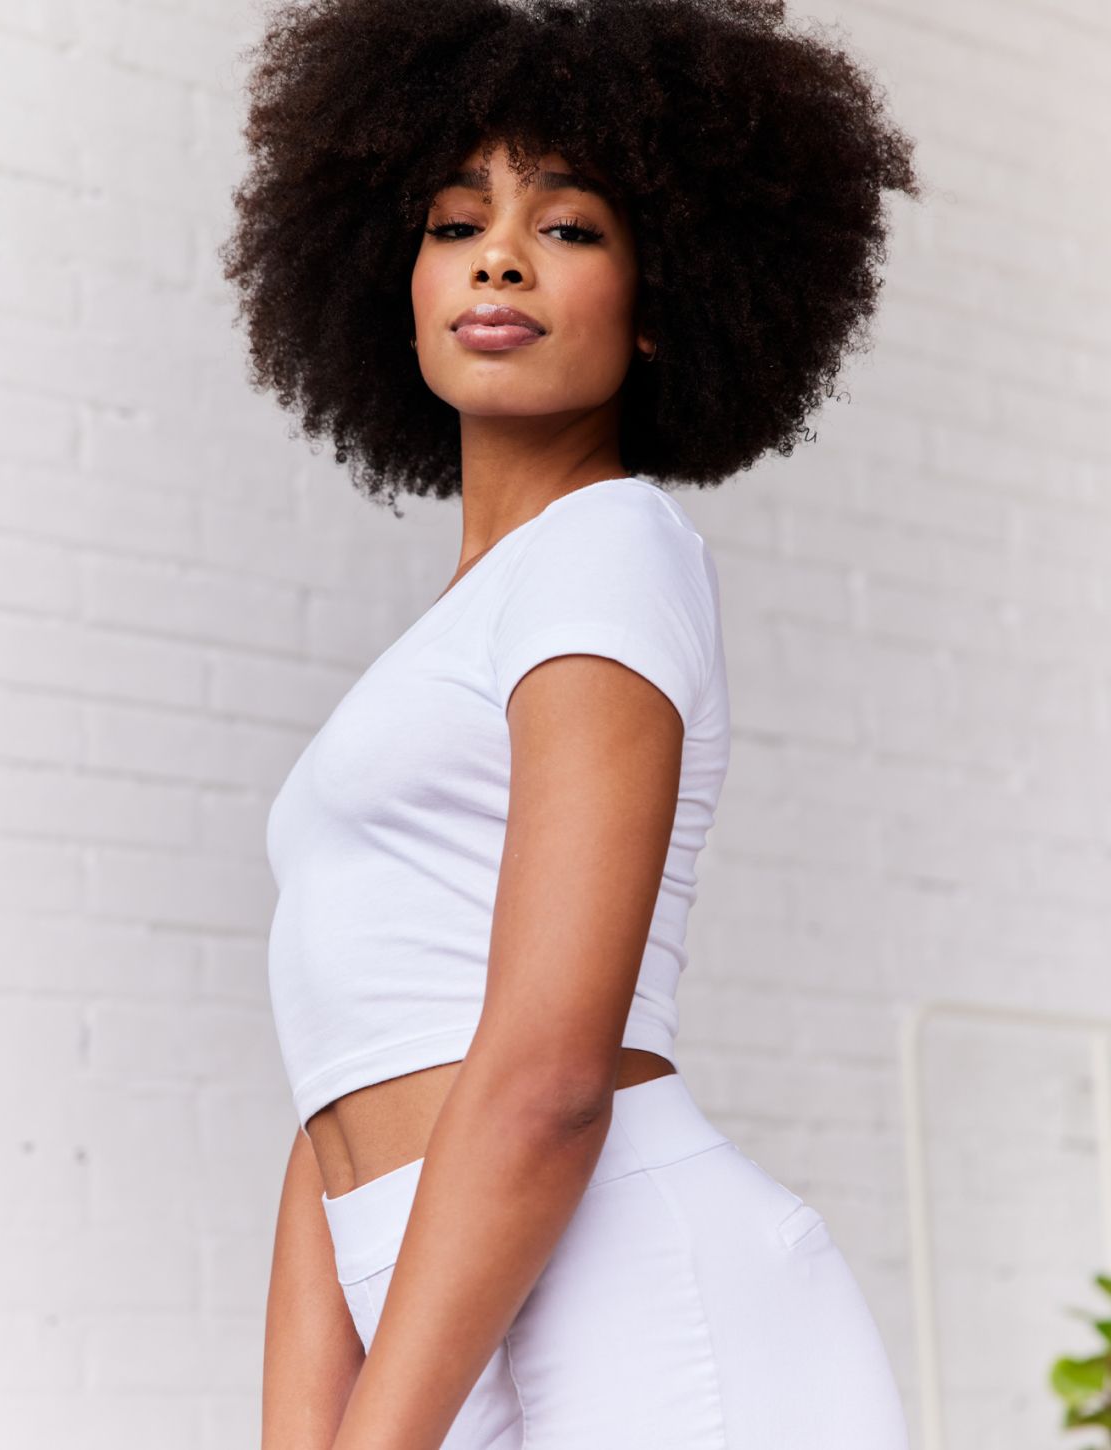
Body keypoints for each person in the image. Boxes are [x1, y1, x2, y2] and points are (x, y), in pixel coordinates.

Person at [221, 0, 922, 1446]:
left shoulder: (613, 547)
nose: (499, 252)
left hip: (628, 1296)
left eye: (573, 226)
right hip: (442, 1291)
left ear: (663, 300)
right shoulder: (456, 634)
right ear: (391, 283)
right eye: (454, 219)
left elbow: (546, 1072)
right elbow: (334, 1078)